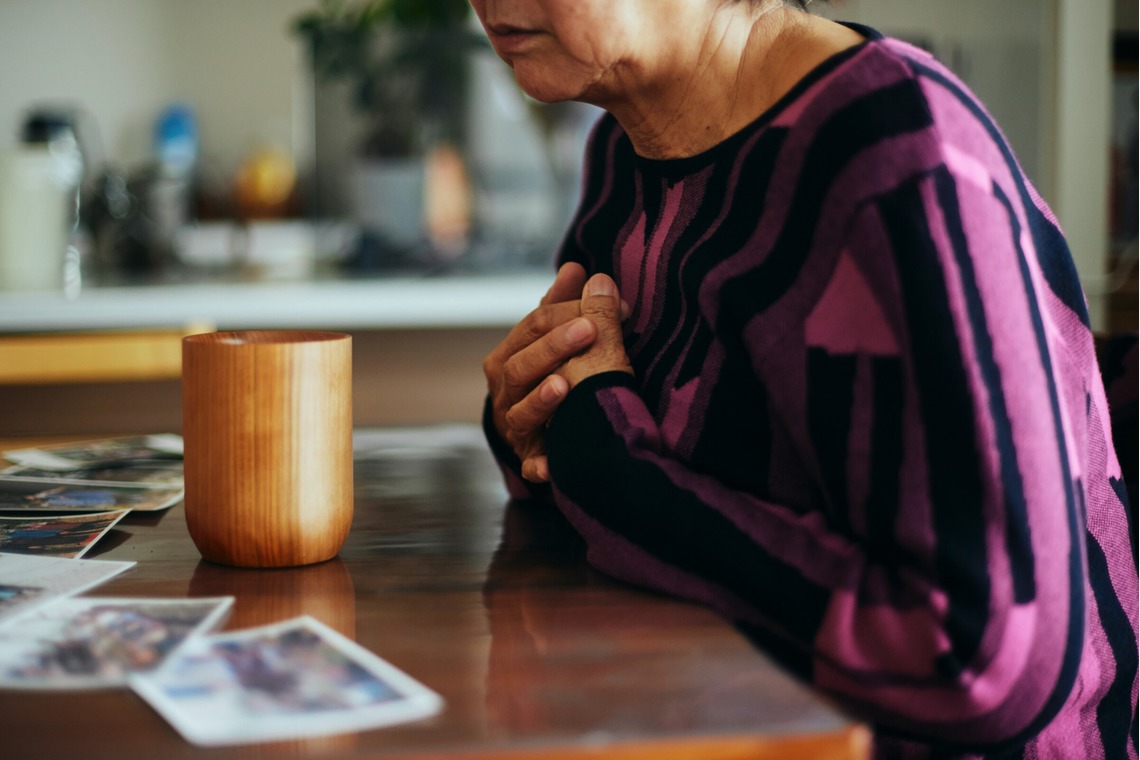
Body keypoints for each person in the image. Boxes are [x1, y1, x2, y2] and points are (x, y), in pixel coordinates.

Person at [470, 0, 1139, 756]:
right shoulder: (623, 154)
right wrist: (530, 413)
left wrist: (612, 471)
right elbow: (593, 450)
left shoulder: (891, 154)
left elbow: (985, 663)